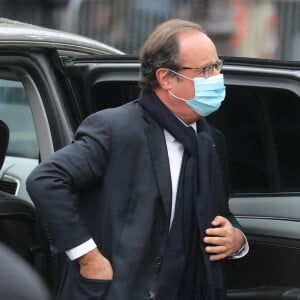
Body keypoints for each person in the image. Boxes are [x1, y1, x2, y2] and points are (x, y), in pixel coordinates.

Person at [26, 19, 248, 300]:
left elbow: (221, 212)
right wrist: (88, 257)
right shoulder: (115, 128)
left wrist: (236, 238)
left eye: (218, 66)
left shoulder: (210, 141)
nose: (216, 77)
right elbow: (46, 180)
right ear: (166, 78)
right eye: (205, 70)